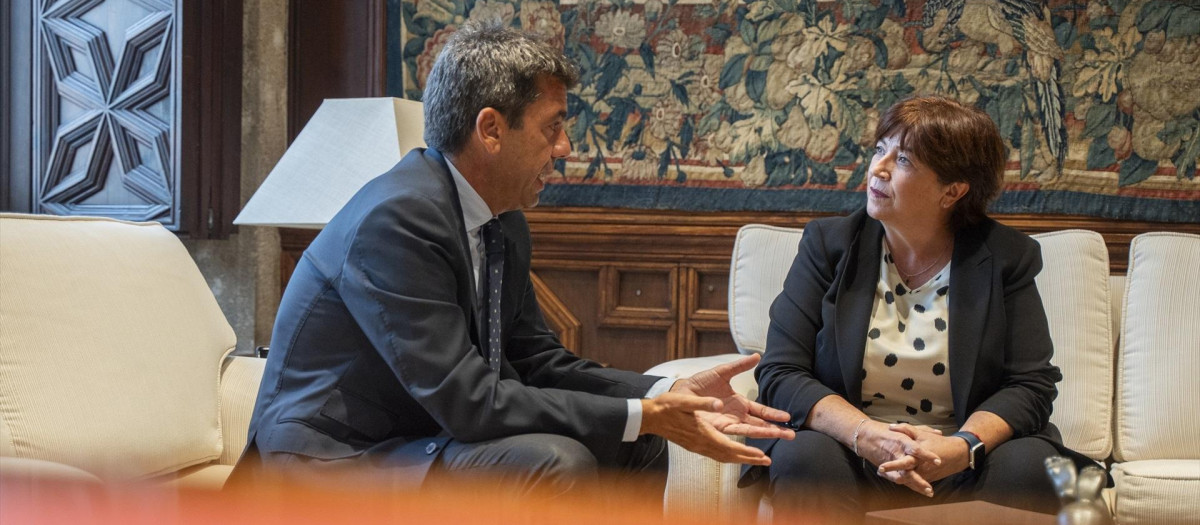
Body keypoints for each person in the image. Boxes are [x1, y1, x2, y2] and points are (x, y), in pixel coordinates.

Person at [229, 21, 794, 497]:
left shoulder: (501, 219)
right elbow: (469, 400)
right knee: (556, 460)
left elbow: (538, 361)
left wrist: (658, 396)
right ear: (491, 130)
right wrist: (644, 414)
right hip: (335, 460)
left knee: (636, 444)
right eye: (554, 127)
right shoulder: (398, 219)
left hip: (420, 437)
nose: (566, 148)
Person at [740, 96, 1096, 523]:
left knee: (1030, 466)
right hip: (849, 452)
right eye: (879, 150)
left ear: (953, 190)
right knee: (804, 455)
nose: (878, 168)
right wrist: (866, 435)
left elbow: (1031, 385)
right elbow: (781, 372)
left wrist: (962, 447)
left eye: (903, 159)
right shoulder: (828, 245)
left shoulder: (1005, 258)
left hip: (960, 461)